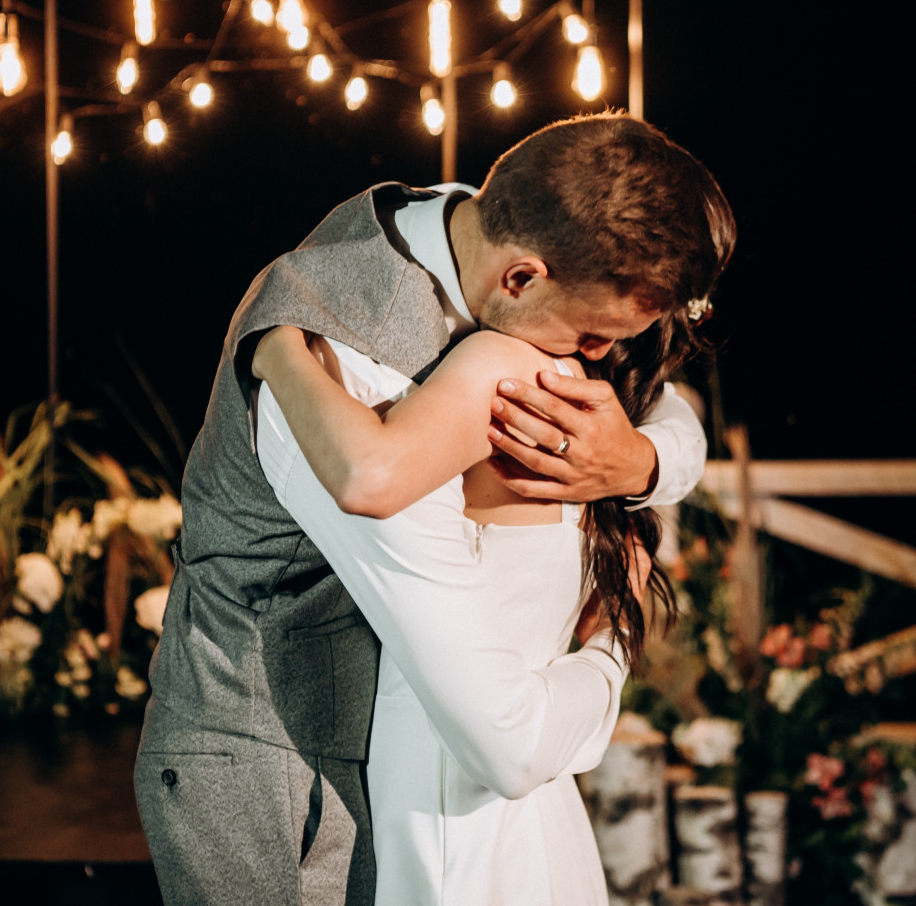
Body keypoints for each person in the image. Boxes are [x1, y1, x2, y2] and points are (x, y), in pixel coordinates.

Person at [135, 114, 735, 906]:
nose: (595, 361)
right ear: (520, 278)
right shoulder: (345, 349)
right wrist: (270, 340)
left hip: (401, 749)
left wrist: (640, 462)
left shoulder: (480, 225)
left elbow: (665, 407)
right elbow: (370, 478)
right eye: (592, 334)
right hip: (272, 759)